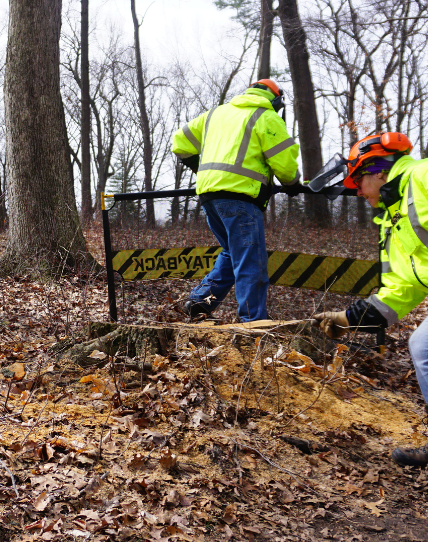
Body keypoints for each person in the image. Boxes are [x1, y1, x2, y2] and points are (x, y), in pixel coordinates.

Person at [312, 132, 428, 467]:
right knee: (422, 347)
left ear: (379, 172)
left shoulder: (421, 176)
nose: (358, 192)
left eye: (359, 181)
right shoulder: (392, 220)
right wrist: (347, 318)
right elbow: (400, 289)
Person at [172, 79, 301, 322]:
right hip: (240, 198)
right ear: (276, 100)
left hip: (209, 195)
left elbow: (179, 142)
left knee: (233, 253)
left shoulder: (215, 114)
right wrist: (293, 183)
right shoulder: (266, 116)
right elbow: (284, 165)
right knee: (251, 261)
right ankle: (253, 321)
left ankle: (200, 302)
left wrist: (201, 170)